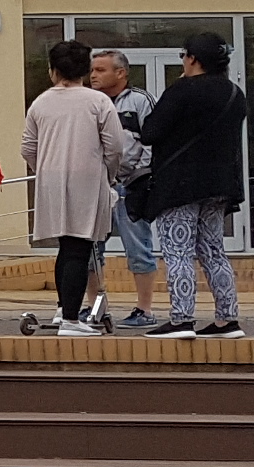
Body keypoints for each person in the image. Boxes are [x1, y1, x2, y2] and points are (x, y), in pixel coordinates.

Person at [140, 31, 248, 339]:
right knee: (214, 250)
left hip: (179, 185)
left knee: (178, 251)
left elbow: (151, 132)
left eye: (184, 57)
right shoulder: (233, 93)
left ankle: (181, 320)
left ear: (193, 59)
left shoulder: (183, 91)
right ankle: (228, 319)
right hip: (219, 184)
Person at [22, 40, 126, 336]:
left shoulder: (41, 102)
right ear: (85, 70)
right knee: (79, 247)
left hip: (51, 181)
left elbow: (28, 146)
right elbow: (116, 146)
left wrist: (43, 168)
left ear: (53, 70)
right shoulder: (98, 102)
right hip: (87, 179)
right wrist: (108, 172)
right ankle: (70, 318)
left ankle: (62, 310)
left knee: (65, 248)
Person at [86, 52, 160, 328]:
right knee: (91, 249)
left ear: (121, 73)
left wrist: (138, 175)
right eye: (92, 69)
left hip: (131, 186)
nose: (93, 75)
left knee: (138, 246)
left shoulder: (139, 101)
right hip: (96, 188)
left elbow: (152, 141)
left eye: (101, 70)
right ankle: (95, 307)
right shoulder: (89, 102)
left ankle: (145, 308)